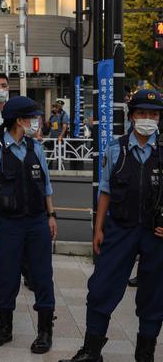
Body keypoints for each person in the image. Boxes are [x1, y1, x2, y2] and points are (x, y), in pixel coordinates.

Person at [59, 89, 163, 362]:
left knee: (154, 295)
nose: (148, 119)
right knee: (101, 287)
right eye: (142, 113)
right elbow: (104, 189)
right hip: (120, 228)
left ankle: (145, 353)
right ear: (131, 117)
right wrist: (98, 228)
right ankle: (91, 351)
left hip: (156, 234)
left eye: (153, 114)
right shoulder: (115, 148)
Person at [0, 96, 58, 354]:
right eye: (32, 117)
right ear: (18, 120)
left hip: (36, 222)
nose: (36, 122)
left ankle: (45, 330)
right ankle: (5, 328)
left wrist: (51, 215)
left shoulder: (36, 148)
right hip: (7, 224)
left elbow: (46, 185)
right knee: (6, 276)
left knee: (43, 276)